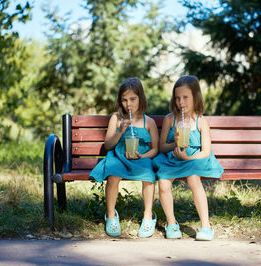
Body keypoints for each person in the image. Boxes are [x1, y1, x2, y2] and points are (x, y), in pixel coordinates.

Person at [153, 75, 224, 241]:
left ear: (195, 97)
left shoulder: (200, 121)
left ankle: (206, 226)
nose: (181, 102)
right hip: (174, 158)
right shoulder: (170, 119)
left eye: (185, 97)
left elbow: (205, 151)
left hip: (195, 158)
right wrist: (174, 144)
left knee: (193, 178)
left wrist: (187, 158)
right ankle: (171, 224)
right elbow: (162, 147)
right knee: (163, 182)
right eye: (177, 98)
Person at [89, 78, 159, 238]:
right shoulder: (116, 118)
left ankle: (148, 215)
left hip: (141, 157)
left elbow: (155, 149)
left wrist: (143, 155)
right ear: (120, 101)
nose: (129, 104)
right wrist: (120, 131)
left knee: (149, 175)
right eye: (125, 100)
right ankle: (111, 215)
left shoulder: (149, 122)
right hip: (119, 155)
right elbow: (108, 145)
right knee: (113, 175)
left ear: (141, 98)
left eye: (133, 99)